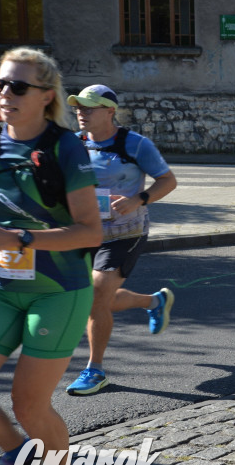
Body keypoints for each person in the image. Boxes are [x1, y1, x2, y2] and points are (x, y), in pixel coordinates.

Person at [0, 47, 103, 465]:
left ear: (46, 95)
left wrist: (19, 238)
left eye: (18, 86)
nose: (6, 93)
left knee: (28, 404)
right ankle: (15, 458)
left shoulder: (64, 147)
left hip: (58, 291)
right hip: (4, 286)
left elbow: (91, 231)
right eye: (1, 84)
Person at [63, 85, 178, 397]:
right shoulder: (72, 143)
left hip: (124, 234)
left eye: (89, 107)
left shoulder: (135, 144)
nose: (81, 113)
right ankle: (153, 301)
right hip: (82, 233)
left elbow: (168, 180)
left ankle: (94, 370)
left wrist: (138, 199)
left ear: (110, 112)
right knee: (94, 300)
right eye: (78, 107)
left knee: (97, 297)